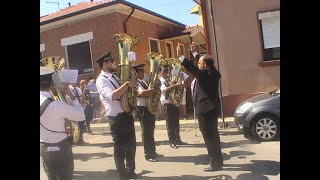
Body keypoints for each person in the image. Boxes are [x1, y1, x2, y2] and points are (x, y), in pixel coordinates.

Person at [177, 43, 224, 171]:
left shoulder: (204, 75)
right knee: (214, 136)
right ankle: (218, 161)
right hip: (211, 109)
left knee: (209, 137)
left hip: (205, 110)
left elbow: (193, 69)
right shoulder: (213, 72)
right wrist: (195, 54)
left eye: (200, 63)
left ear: (204, 65)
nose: (198, 64)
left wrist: (181, 57)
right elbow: (202, 65)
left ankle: (215, 164)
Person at [95, 51, 138, 180]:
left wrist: (132, 86)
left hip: (126, 113)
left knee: (131, 145)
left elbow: (125, 90)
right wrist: (126, 85)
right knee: (120, 148)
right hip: (116, 117)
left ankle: (131, 171)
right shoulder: (101, 80)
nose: (113, 63)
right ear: (104, 63)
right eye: (111, 61)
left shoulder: (114, 76)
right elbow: (112, 96)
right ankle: (122, 175)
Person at [40, 66, 85, 180]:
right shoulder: (57, 105)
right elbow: (81, 116)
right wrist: (72, 96)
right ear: (51, 83)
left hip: (44, 148)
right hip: (61, 148)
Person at [132, 64, 161, 162]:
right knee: (146, 132)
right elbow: (141, 94)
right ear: (136, 72)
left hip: (148, 107)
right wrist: (154, 90)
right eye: (141, 71)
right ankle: (148, 154)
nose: (143, 73)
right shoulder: (135, 83)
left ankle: (152, 151)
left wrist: (156, 84)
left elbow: (155, 86)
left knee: (150, 131)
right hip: (142, 108)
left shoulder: (143, 81)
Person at [159, 65, 186, 149]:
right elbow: (165, 90)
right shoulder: (160, 81)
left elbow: (177, 88)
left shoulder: (170, 80)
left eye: (167, 71)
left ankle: (177, 139)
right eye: (164, 71)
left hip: (174, 103)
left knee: (176, 122)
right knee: (170, 124)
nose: (166, 73)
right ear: (160, 72)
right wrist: (175, 85)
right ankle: (171, 141)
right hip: (167, 104)